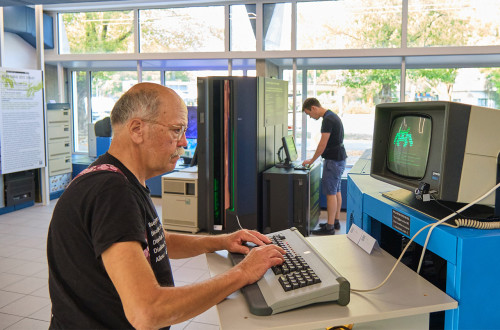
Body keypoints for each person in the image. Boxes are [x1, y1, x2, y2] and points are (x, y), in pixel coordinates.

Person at [46, 82, 285, 329]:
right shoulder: (111, 192)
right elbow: (147, 311)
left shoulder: (116, 178)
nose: (183, 142)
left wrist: (222, 241)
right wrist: (243, 273)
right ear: (137, 129)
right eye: (176, 130)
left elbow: (154, 241)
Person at [301, 97, 347, 235]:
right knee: (336, 190)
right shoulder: (332, 116)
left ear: (314, 108)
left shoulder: (327, 120)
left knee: (330, 193)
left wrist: (311, 160)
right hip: (339, 159)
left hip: (333, 161)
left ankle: (330, 227)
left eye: (309, 114)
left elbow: (323, 144)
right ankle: (336, 221)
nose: (310, 117)